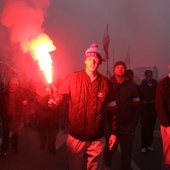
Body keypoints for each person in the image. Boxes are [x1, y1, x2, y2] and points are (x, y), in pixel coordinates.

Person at [48, 43, 118, 170]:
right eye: (90, 59)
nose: (93, 62)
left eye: (96, 60)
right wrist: (55, 101)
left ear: (100, 62)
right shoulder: (73, 78)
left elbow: (113, 110)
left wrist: (113, 133)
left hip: (97, 138)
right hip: (76, 137)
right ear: (85, 60)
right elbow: (60, 95)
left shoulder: (106, 83)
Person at [105, 61, 140, 170]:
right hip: (111, 125)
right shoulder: (107, 84)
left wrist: (134, 123)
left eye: (122, 67)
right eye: (118, 67)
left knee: (127, 151)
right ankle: (107, 165)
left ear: (125, 70)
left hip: (127, 124)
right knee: (109, 149)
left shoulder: (132, 85)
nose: (120, 69)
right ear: (114, 70)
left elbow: (137, 104)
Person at [0, 77, 28, 158]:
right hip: (6, 116)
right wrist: (2, 113)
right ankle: (4, 150)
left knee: (15, 133)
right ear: (10, 84)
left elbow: (25, 102)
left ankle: (14, 148)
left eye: (16, 84)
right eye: (13, 84)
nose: (14, 86)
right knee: (6, 133)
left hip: (16, 116)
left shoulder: (20, 93)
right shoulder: (4, 93)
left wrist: (24, 108)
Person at [36, 82, 58, 154]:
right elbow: (37, 99)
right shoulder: (40, 88)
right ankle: (43, 142)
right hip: (42, 112)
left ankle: (51, 146)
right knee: (42, 129)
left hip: (52, 113)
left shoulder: (53, 88)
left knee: (52, 130)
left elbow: (57, 100)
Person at [139, 70, 158, 153]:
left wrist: (156, 100)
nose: (150, 77)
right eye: (149, 75)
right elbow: (138, 97)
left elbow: (158, 95)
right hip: (144, 110)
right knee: (144, 128)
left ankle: (149, 145)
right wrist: (142, 101)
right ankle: (143, 146)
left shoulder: (156, 85)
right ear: (146, 76)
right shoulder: (142, 86)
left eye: (151, 75)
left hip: (153, 109)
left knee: (151, 128)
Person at [156, 66, 170, 169]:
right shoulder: (163, 84)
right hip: (168, 124)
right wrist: (166, 123)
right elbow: (160, 105)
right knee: (168, 156)